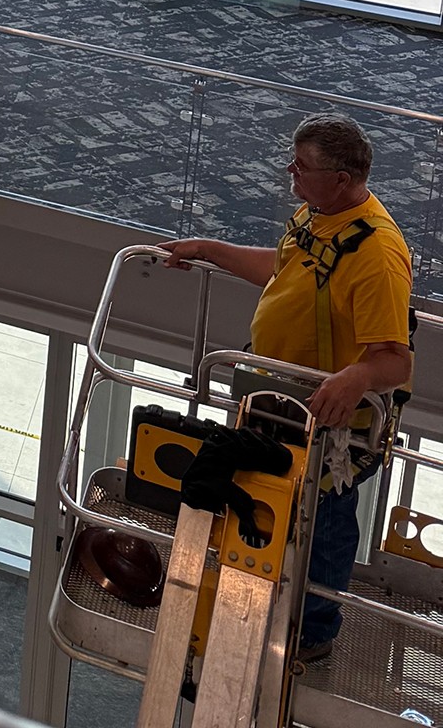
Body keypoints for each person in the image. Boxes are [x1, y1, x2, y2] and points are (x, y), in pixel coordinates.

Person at [159, 112, 413, 664]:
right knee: (272, 494)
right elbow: (279, 270)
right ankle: (259, 584)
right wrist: (205, 248)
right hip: (280, 397)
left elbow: (395, 360)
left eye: (302, 167)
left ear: (343, 179)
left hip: (331, 421)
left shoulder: (377, 256)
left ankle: (314, 632)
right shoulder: (318, 216)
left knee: (326, 518)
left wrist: (358, 375)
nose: (289, 173)